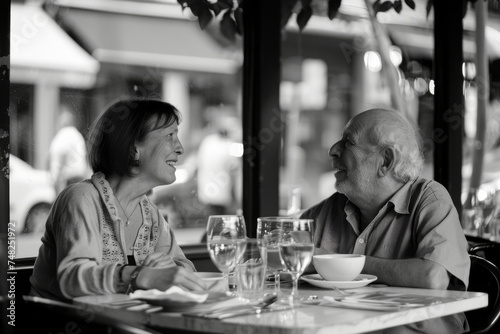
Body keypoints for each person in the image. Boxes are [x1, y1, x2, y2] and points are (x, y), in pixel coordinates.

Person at [300, 108, 471, 333]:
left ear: (386, 160)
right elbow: (284, 257)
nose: (333, 150)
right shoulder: (328, 210)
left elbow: (432, 277)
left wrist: (344, 264)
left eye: (348, 142)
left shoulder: (430, 199)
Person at [30, 98, 206, 302]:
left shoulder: (150, 214)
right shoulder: (81, 198)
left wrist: (169, 269)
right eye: (169, 135)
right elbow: (73, 277)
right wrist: (140, 275)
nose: (180, 148)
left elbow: (184, 268)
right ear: (133, 148)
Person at [49, 106, 91, 195]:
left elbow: (61, 156)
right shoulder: (77, 135)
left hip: (69, 178)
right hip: (80, 177)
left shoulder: (64, 134)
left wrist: (56, 180)